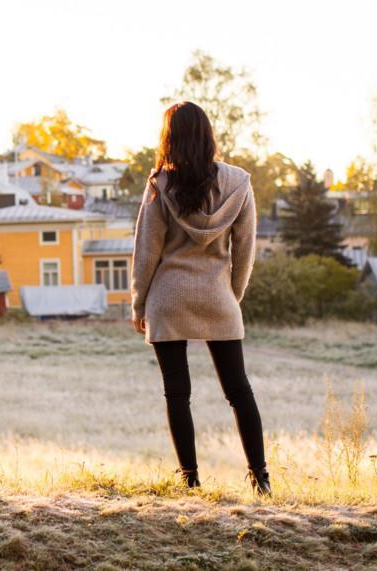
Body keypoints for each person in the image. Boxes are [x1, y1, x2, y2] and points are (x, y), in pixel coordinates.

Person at [130, 101, 270, 496]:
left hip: (168, 299)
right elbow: (245, 251)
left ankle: (189, 481)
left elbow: (146, 252)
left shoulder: (159, 185)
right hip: (217, 297)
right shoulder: (239, 183)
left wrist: (138, 305)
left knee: (177, 393)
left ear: (169, 138)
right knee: (239, 391)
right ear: (208, 134)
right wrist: (232, 296)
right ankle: (260, 478)